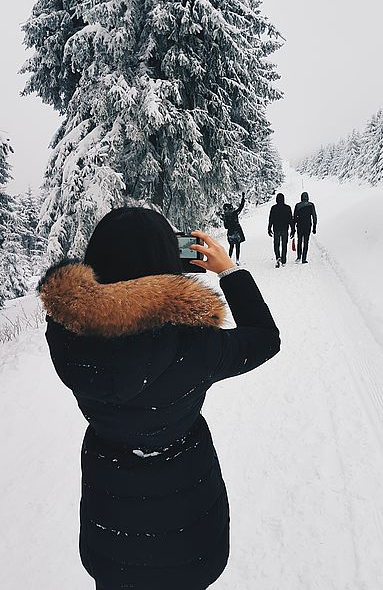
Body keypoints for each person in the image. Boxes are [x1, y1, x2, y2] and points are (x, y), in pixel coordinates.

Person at [38, 207, 280, 590]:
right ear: (167, 262)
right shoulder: (195, 345)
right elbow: (265, 338)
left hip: (111, 529)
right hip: (189, 533)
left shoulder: (67, 339)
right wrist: (228, 271)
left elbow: (102, 295)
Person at [268, 192, 295, 268]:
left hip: (276, 229)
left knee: (276, 244)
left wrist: (269, 228)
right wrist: (293, 229)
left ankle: (277, 257)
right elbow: (290, 220)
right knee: (284, 245)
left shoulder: (273, 208)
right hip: (285, 229)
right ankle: (283, 260)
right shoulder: (287, 208)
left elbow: (271, 219)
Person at [293, 191, 318, 264]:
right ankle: (304, 259)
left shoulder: (297, 205)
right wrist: (314, 226)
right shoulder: (311, 205)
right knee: (306, 242)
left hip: (300, 225)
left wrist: (293, 227)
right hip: (308, 226)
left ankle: (298, 257)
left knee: (300, 241)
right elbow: (314, 216)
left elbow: (294, 217)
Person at [222, 191, 246, 265]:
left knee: (231, 246)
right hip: (237, 231)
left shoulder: (225, 216)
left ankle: (229, 259)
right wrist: (243, 198)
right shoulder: (234, 213)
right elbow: (241, 207)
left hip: (230, 233)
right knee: (237, 246)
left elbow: (226, 227)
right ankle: (237, 260)